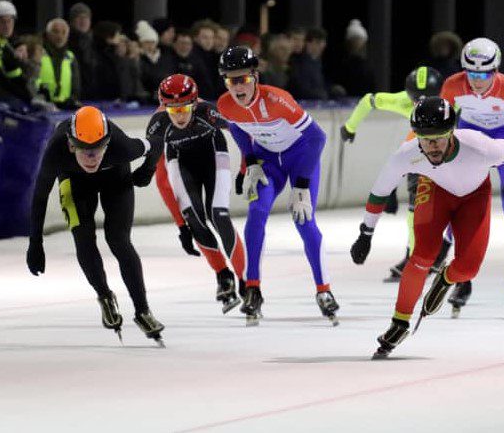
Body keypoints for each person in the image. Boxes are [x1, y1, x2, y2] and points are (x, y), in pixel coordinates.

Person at [350, 97, 504, 358]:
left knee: (468, 269)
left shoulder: (481, 147)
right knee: (421, 256)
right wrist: (366, 233)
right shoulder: (408, 153)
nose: (432, 146)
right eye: (425, 138)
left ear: (451, 132)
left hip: (474, 197)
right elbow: (379, 193)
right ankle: (399, 322)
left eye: (439, 137)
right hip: (435, 191)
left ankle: (446, 278)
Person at [216, 46, 337, 325]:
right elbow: (235, 128)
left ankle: (324, 290)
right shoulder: (225, 104)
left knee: (303, 221)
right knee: (256, 213)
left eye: (242, 79)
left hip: (299, 159)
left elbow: (317, 138)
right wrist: (251, 161)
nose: (237, 87)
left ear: (255, 76)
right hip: (268, 161)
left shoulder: (277, 100)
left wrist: (302, 185)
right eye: (230, 80)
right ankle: (253, 289)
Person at [27, 106, 165, 344]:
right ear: (71, 145)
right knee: (83, 237)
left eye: (98, 149)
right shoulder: (56, 151)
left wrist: (148, 169)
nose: (91, 158)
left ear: (108, 143)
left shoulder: (121, 147)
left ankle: (143, 310)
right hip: (74, 182)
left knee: (119, 241)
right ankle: (104, 295)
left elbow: (156, 142)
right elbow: (39, 196)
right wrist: (35, 243)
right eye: (84, 151)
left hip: (115, 178)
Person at [439, 37, 504, 317]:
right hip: (472, 135)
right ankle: (463, 278)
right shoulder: (452, 85)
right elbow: (442, 121)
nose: (477, 80)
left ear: (495, 70)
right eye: (471, 73)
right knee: (462, 206)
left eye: (484, 74)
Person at [147, 74, 247, 313]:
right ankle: (223, 276)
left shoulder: (208, 112)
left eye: (183, 108)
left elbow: (243, 134)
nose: (179, 115)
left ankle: (247, 282)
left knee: (219, 216)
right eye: (173, 110)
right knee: (195, 219)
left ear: (193, 104)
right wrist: (181, 226)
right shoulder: (158, 124)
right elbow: (162, 180)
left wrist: (246, 168)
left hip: (213, 154)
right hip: (181, 161)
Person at [340, 66, 449, 282]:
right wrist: (350, 127)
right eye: (415, 101)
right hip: (423, 152)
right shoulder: (404, 102)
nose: (419, 106)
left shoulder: (448, 103)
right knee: (414, 208)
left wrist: (350, 127)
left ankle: (437, 251)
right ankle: (415, 255)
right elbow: (369, 100)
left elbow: (369, 101)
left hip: (445, 153)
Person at [0, 0, 32, 103]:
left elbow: (18, 76)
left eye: (10, 21)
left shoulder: (12, 45)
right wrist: (26, 98)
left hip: (7, 97)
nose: (7, 25)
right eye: (2, 22)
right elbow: (0, 78)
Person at [39, 18, 82, 109]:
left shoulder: (70, 57)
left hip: (65, 107)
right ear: (47, 34)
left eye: (64, 32)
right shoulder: (38, 53)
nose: (60, 36)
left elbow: (76, 85)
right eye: (56, 32)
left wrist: (73, 100)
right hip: (42, 107)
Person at [338, 19, 376, 97]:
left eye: (359, 39)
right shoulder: (344, 63)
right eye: (355, 39)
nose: (357, 43)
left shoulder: (366, 64)